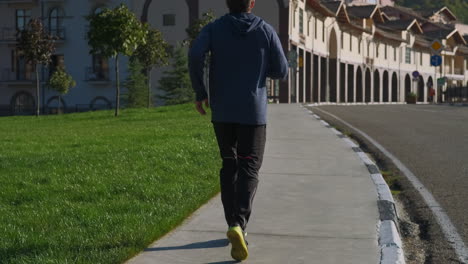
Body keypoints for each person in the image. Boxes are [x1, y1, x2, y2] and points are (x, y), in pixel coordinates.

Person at [188, 0, 288, 261]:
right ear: (251, 4)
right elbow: (281, 70)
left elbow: (195, 54)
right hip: (253, 112)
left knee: (229, 164)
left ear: (227, 3)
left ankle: (232, 222)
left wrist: (201, 91)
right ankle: (239, 225)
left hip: (222, 111)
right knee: (249, 167)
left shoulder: (213, 29)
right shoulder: (265, 30)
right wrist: (257, 67)